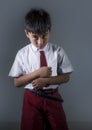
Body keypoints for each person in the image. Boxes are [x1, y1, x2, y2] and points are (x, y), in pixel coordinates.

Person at [9, 8, 73, 130]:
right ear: (27, 33)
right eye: (35, 37)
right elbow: (17, 82)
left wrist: (47, 81)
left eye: (44, 36)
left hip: (52, 96)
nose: (40, 42)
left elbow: (66, 77)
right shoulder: (22, 54)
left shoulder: (57, 51)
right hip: (31, 98)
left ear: (50, 30)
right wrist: (37, 73)